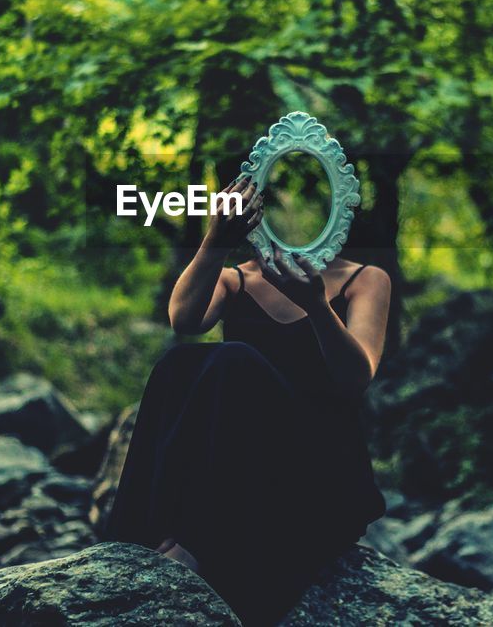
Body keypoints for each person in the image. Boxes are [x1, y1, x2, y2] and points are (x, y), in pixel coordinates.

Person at [103, 173, 391, 625]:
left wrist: (318, 307)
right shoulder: (235, 280)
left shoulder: (365, 279)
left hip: (320, 473)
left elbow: (356, 379)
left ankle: (196, 543)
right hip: (247, 467)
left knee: (235, 358)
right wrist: (215, 240)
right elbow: (183, 320)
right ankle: (139, 532)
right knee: (179, 364)